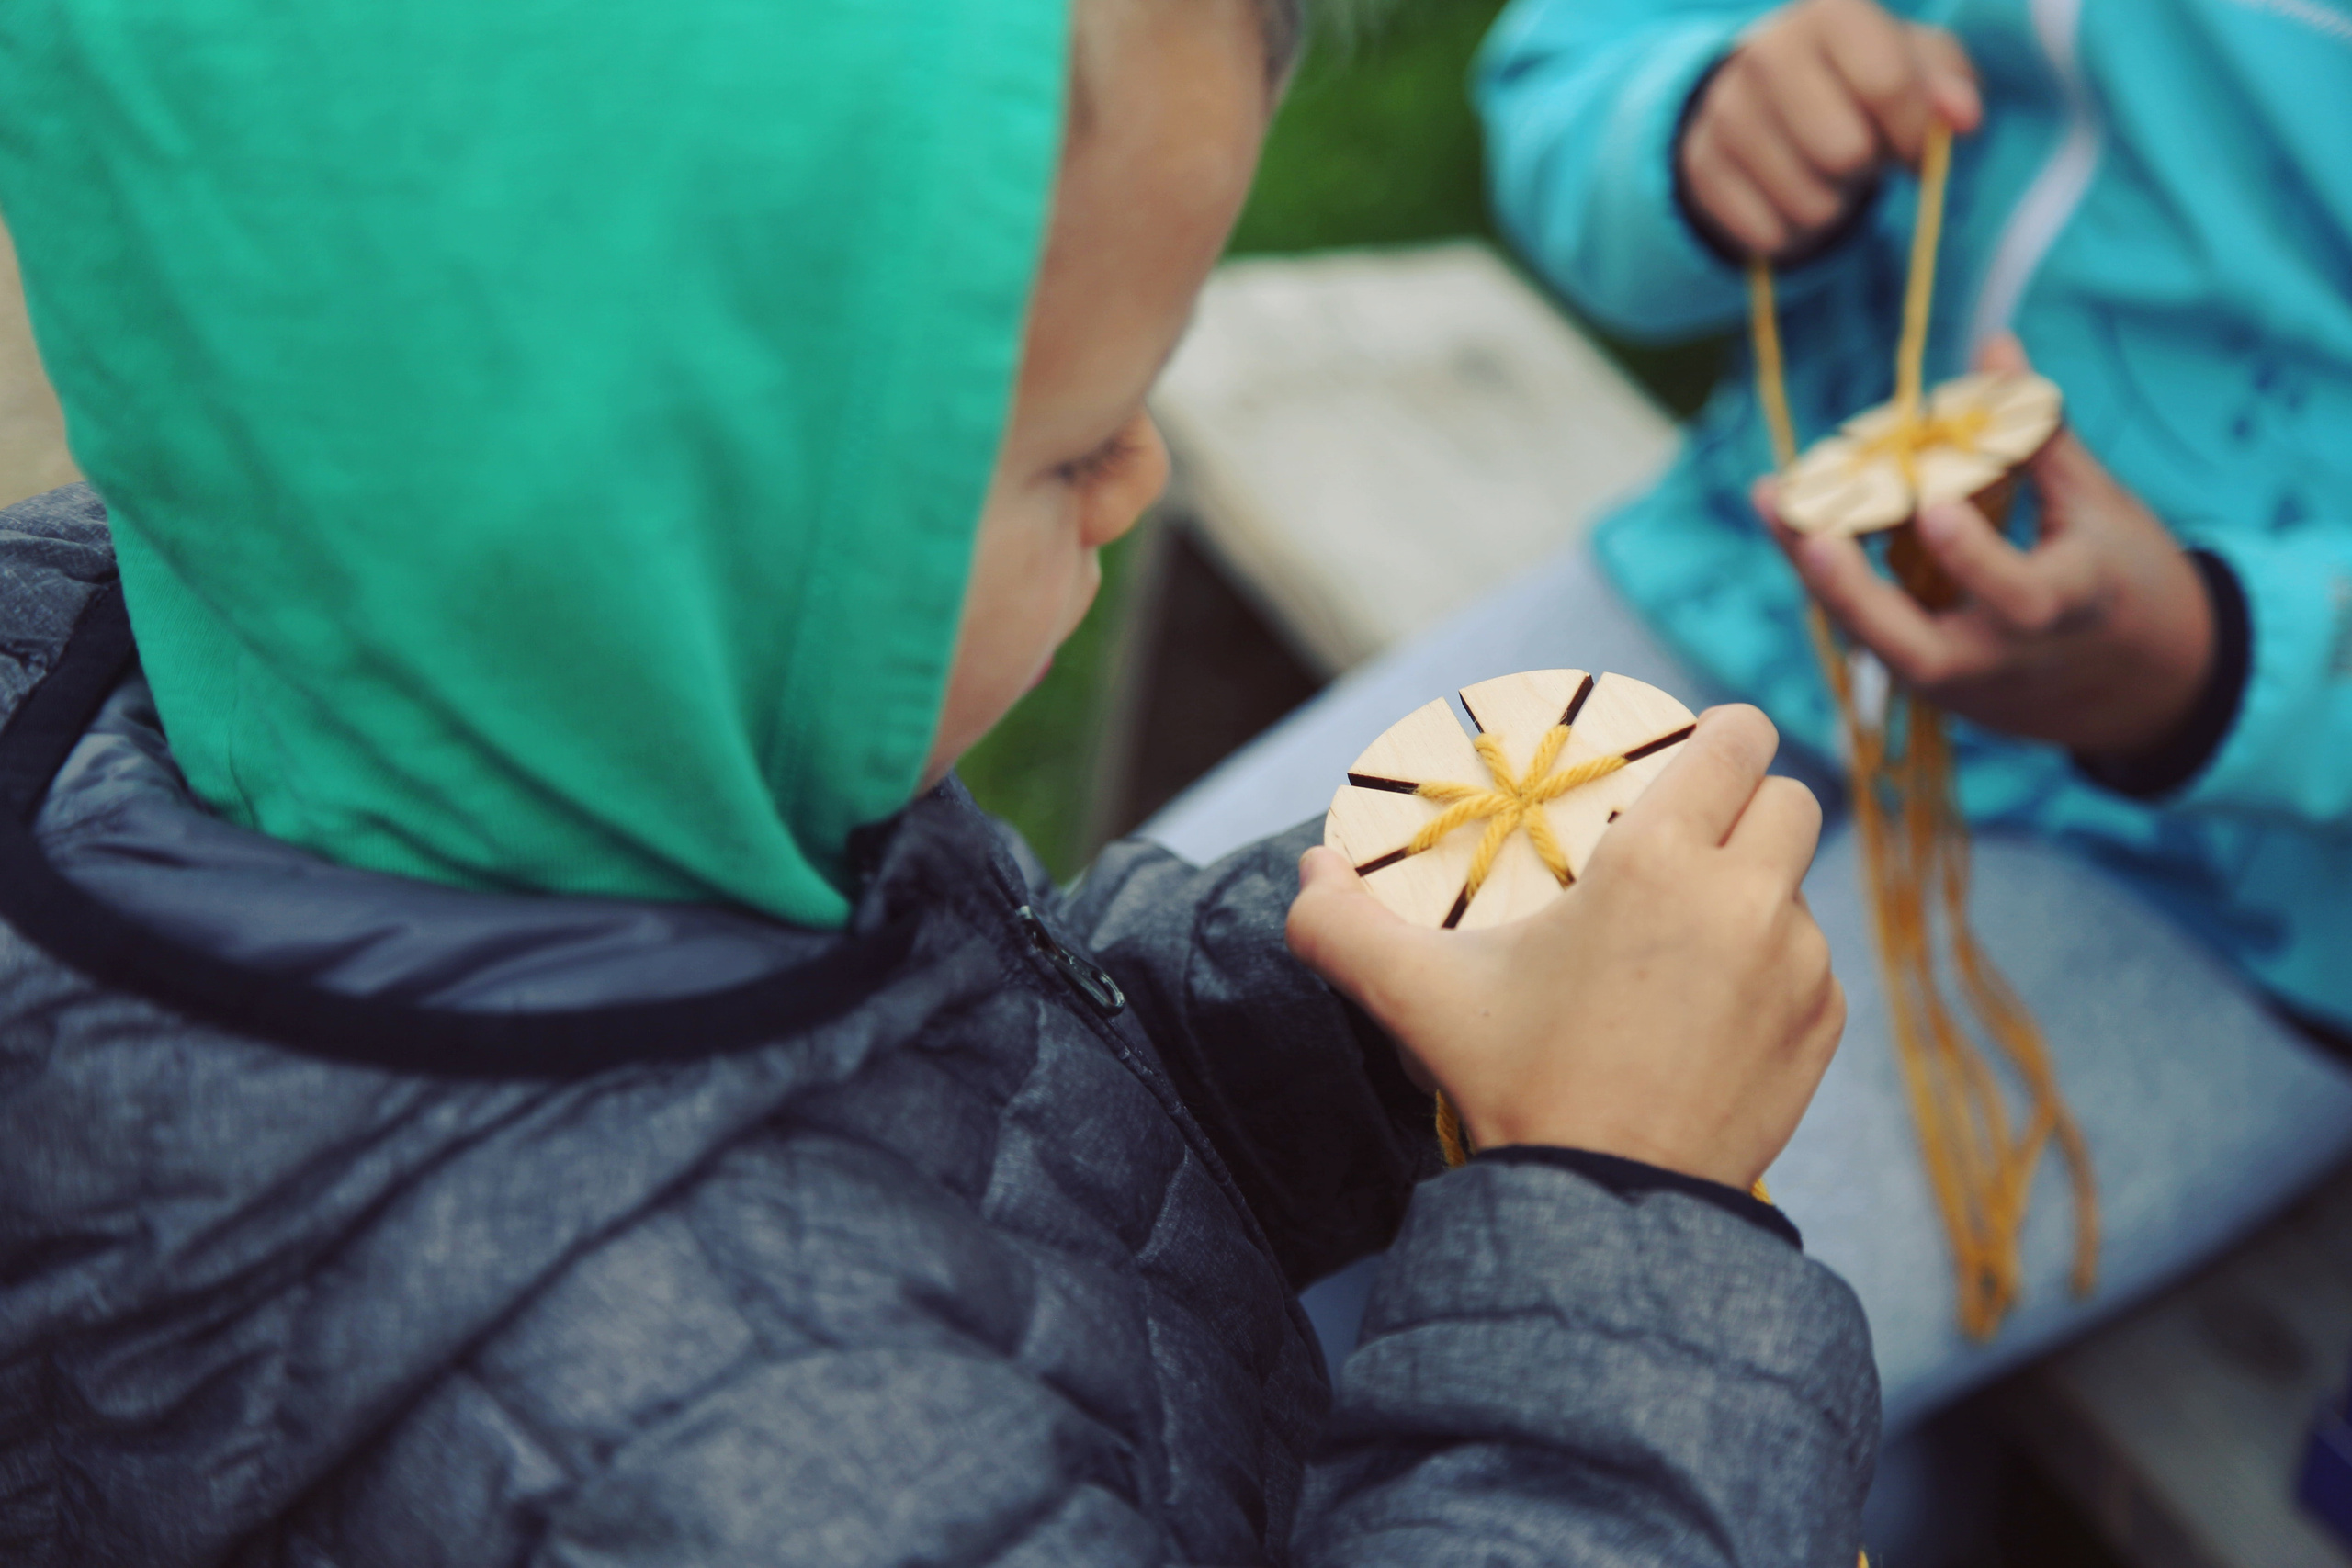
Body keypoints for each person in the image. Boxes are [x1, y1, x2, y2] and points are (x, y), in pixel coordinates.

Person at [0, 0, 1881, 1560]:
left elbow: (950, 1110)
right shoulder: (755, 1457)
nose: (1134, 479)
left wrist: (1354, 988)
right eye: (1069, 451)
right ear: (681, 545)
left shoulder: (449, 708)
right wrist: (1615, 1243)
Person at [1147, 0, 2352, 1508]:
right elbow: (1573, 63)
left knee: (1501, 1398)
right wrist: (1697, 123)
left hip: (2234, 871)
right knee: (1108, 1110)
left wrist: (2236, 663)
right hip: (1744, 591)